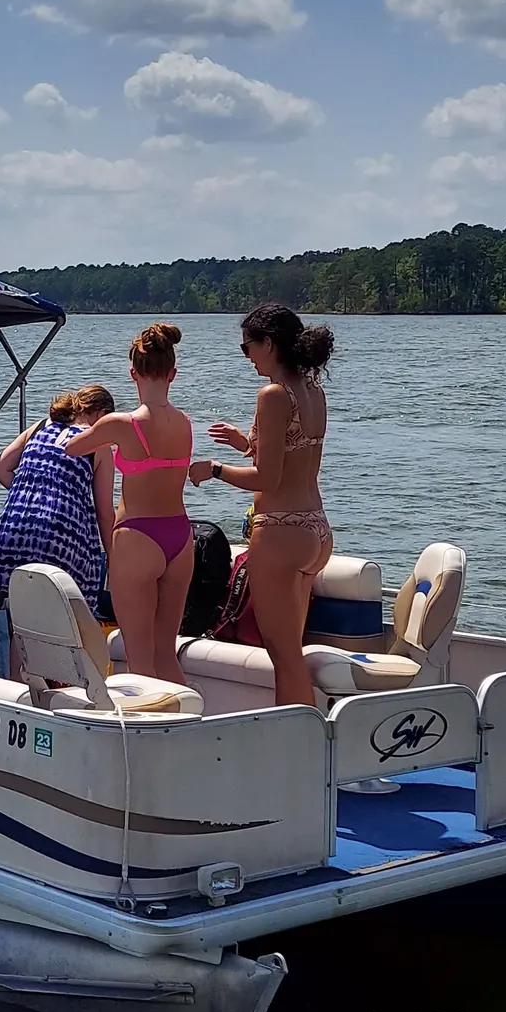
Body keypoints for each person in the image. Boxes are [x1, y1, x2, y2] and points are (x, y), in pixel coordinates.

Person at [192, 302, 334, 710]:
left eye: (247, 347)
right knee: (293, 651)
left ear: (268, 343)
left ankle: (297, 750)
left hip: (280, 531)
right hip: (315, 529)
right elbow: (294, 459)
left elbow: (266, 480)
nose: (248, 357)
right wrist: (245, 443)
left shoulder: (272, 395)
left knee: (283, 655)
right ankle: (308, 745)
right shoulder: (312, 391)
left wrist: (214, 469)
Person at [62, 323, 194, 681]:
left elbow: (71, 447)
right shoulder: (184, 422)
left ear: (132, 372)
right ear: (173, 374)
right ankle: (183, 729)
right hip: (180, 537)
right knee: (166, 656)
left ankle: (143, 733)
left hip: (137, 536)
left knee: (139, 660)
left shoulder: (121, 423)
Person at [0, 384, 116, 614]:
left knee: (22, 619)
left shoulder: (39, 427)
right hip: (59, 534)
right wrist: (113, 556)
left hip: (16, 528)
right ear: (101, 416)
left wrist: (32, 494)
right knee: (60, 618)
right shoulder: (97, 446)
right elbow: (104, 513)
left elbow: (0, 468)